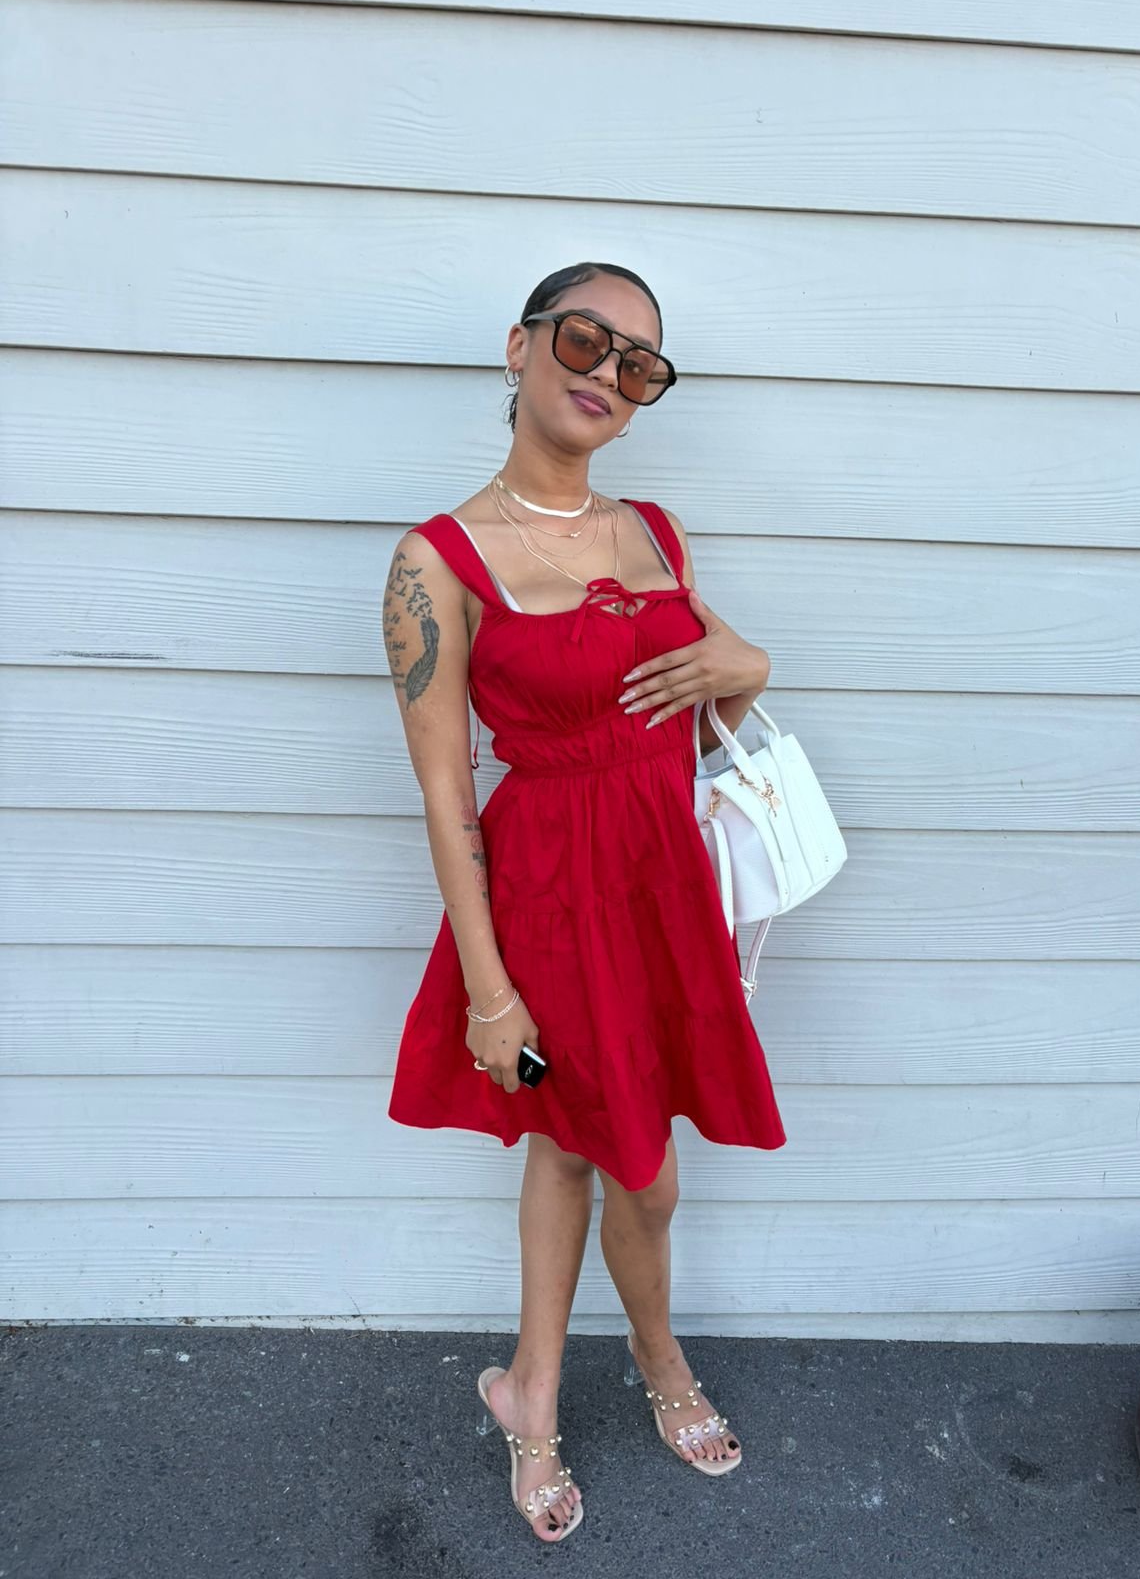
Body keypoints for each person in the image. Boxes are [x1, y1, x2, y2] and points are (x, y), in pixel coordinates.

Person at [380, 262, 786, 1543]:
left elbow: (713, 687)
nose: (608, 373)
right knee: (613, 1158)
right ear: (521, 347)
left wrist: (749, 659)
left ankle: (542, 1385)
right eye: (585, 340)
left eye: (639, 364)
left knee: (601, 1155)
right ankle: (614, 1376)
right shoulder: (435, 559)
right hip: (547, 895)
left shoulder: (657, 533)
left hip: (662, 885)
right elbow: (446, 792)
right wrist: (487, 992)